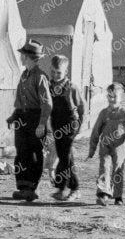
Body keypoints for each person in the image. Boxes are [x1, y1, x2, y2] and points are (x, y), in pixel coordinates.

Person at [6, 41, 53, 202]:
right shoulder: (24, 75)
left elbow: (47, 103)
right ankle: (23, 187)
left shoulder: (40, 77)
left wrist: (41, 124)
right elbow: (20, 100)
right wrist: (14, 116)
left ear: (29, 57)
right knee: (22, 153)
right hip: (22, 118)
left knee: (35, 154)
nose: (20, 57)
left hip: (36, 118)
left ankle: (33, 188)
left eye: (22, 55)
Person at [85, 84, 125, 205]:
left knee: (118, 170)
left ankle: (118, 196)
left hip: (120, 146)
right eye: (109, 96)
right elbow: (96, 131)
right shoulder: (104, 113)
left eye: (115, 96)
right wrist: (92, 149)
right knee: (104, 167)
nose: (112, 99)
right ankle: (103, 193)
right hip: (105, 145)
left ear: (121, 98)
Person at [46, 52, 82, 201]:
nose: (55, 75)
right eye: (53, 72)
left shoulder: (71, 87)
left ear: (66, 72)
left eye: (58, 72)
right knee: (64, 156)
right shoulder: (48, 86)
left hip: (69, 124)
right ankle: (62, 188)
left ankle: (73, 189)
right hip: (56, 123)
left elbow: (82, 108)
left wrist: (78, 129)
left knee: (65, 157)